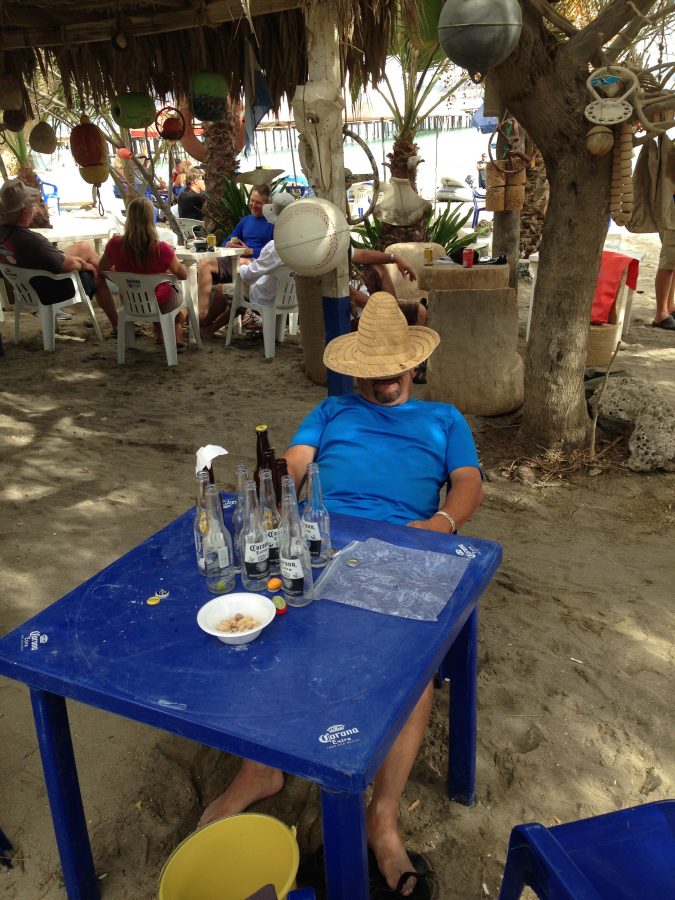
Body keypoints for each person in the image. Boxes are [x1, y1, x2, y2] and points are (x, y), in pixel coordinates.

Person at [198, 292, 484, 897]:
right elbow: (295, 463)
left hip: (407, 543)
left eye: (392, 372)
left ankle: (382, 818)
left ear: (413, 364)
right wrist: (274, 484)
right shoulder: (330, 410)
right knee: (260, 628)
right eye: (370, 374)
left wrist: (441, 526)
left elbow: (466, 483)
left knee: (412, 666)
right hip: (321, 537)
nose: (381, 384)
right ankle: (261, 769)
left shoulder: (445, 419)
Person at [0, 178, 118, 333]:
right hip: (49, 289)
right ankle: (117, 322)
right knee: (96, 273)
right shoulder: (33, 241)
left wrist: (77, 258)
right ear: (25, 210)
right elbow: (67, 266)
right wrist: (84, 264)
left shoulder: (4, 234)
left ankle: (112, 274)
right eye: (31, 203)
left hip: (26, 286)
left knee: (84, 247)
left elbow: (53, 259)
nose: (34, 206)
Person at [98, 197, 188, 349]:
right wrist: (164, 273)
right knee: (182, 304)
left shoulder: (115, 244)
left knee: (151, 289)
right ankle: (176, 337)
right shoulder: (161, 248)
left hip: (131, 301)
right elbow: (183, 275)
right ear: (150, 219)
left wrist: (121, 276)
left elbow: (102, 268)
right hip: (159, 301)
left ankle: (160, 334)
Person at [197, 183, 274, 317]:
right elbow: (228, 240)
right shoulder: (246, 220)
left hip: (255, 267)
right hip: (238, 261)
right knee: (202, 265)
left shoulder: (272, 223)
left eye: (258, 203)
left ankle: (201, 317)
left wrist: (251, 251)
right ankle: (200, 313)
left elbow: (274, 251)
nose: (253, 205)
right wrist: (229, 245)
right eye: (252, 201)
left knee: (207, 265)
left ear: (268, 203)